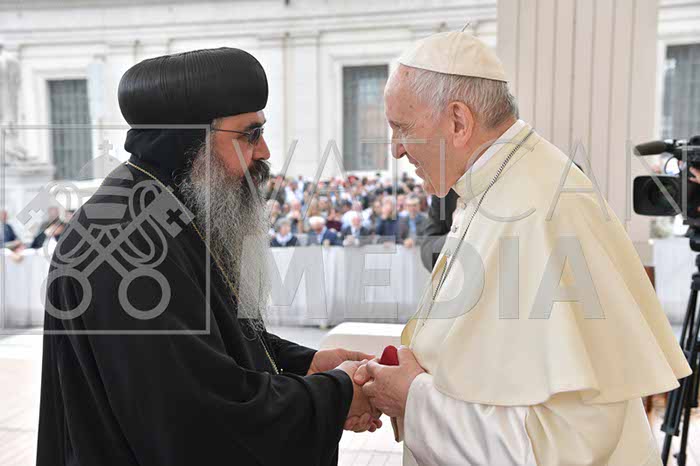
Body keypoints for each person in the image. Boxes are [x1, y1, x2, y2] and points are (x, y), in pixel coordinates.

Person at [354, 31, 690, 466]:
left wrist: (413, 396)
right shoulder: (492, 185)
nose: (396, 149)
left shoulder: (539, 209)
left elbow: (555, 450)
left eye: (402, 128)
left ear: (458, 122)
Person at [37, 47, 380, 466]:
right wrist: (337, 394)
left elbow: (218, 341)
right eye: (250, 134)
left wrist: (307, 365)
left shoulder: (169, 207)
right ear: (191, 139)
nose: (265, 151)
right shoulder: (126, 241)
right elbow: (195, 420)